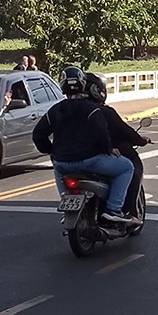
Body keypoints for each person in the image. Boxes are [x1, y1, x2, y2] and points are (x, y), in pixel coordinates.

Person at [32, 66, 135, 223]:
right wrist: (108, 149)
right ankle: (114, 209)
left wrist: (52, 151)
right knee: (127, 167)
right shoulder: (91, 109)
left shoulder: (54, 110)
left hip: (62, 163)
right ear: (82, 84)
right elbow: (101, 132)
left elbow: (38, 135)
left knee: (58, 170)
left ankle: (67, 201)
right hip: (90, 161)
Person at [84, 73, 150, 217]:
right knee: (130, 168)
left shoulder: (71, 110)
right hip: (102, 156)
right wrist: (140, 140)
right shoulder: (103, 112)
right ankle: (126, 210)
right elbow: (124, 131)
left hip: (73, 157)